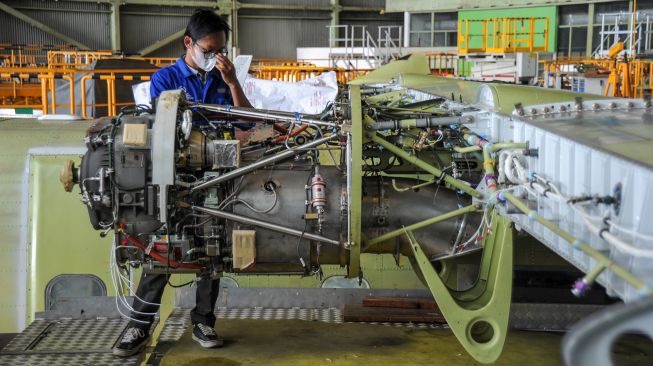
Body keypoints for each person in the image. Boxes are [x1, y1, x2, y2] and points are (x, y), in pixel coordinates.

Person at [113, 9, 252, 357]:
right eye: (209, 50)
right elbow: (162, 127)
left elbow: (246, 123)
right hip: (177, 177)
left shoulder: (223, 79)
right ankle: (139, 324)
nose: (215, 57)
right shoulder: (165, 79)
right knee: (162, 247)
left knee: (214, 248)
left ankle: (204, 319)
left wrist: (234, 82)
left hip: (218, 175)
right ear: (189, 43)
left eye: (221, 50)